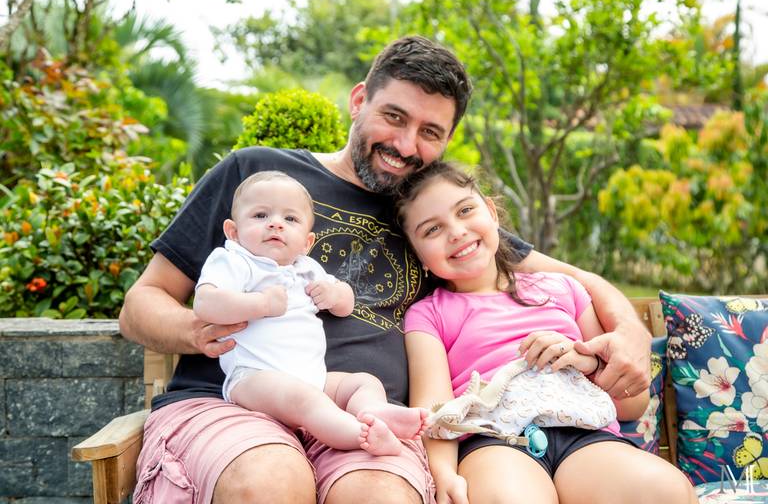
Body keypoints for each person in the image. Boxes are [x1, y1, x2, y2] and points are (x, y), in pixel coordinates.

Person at [120, 35, 654, 504]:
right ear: (359, 100)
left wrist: (628, 330)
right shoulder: (258, 177)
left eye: (430, 131)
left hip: (367, 417)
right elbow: (141, 304)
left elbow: (572, 277)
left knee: (380, 495)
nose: (405, 145)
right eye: (394, 117)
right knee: (268, 479)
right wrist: (198, 329)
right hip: (234, 401)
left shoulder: (431, 218)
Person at [396, 162, 697, 504]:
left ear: (492, 213)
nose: (457, 231)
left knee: (665, 490)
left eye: (465, 210)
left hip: (585, 435)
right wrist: (443, 475)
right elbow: (435, 411)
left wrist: (591, 364)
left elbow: (633, 404)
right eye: (432, 230)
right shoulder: (428, 314)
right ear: (417, 255)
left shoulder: (563, 289)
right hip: (494, 442)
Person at [194, 170, 427, 456]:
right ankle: (361, 434)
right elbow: (205, 303)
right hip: (253, 378)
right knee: (304, 400)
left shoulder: (306, 268)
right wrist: (260, 304)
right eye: (260, 216)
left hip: (313, 378)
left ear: (307, 242)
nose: (276, 225)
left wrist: (335, 294)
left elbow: (347, 306)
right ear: (233, 231)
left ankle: (372, 410)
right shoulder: (235, 260)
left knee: (363, 382)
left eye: (290, 219)